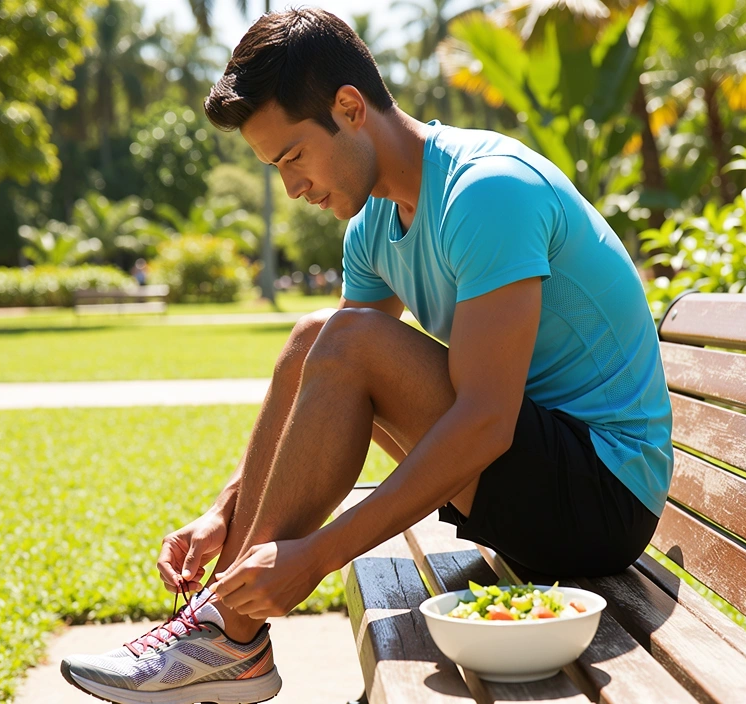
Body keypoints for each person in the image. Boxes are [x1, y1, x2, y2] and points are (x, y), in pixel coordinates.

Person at [60, 8, 674, 704]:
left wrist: (316, 559)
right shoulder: (376, 224)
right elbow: (320, 372)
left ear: (349, 108)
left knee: (345, 339)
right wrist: (223, 510)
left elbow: (485, 423)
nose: (292, 188)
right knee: (313, 339)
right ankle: (227, 627)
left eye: (292, 156)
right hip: (537, 482)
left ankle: (226, 632)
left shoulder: (488, 191)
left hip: (603, 498)